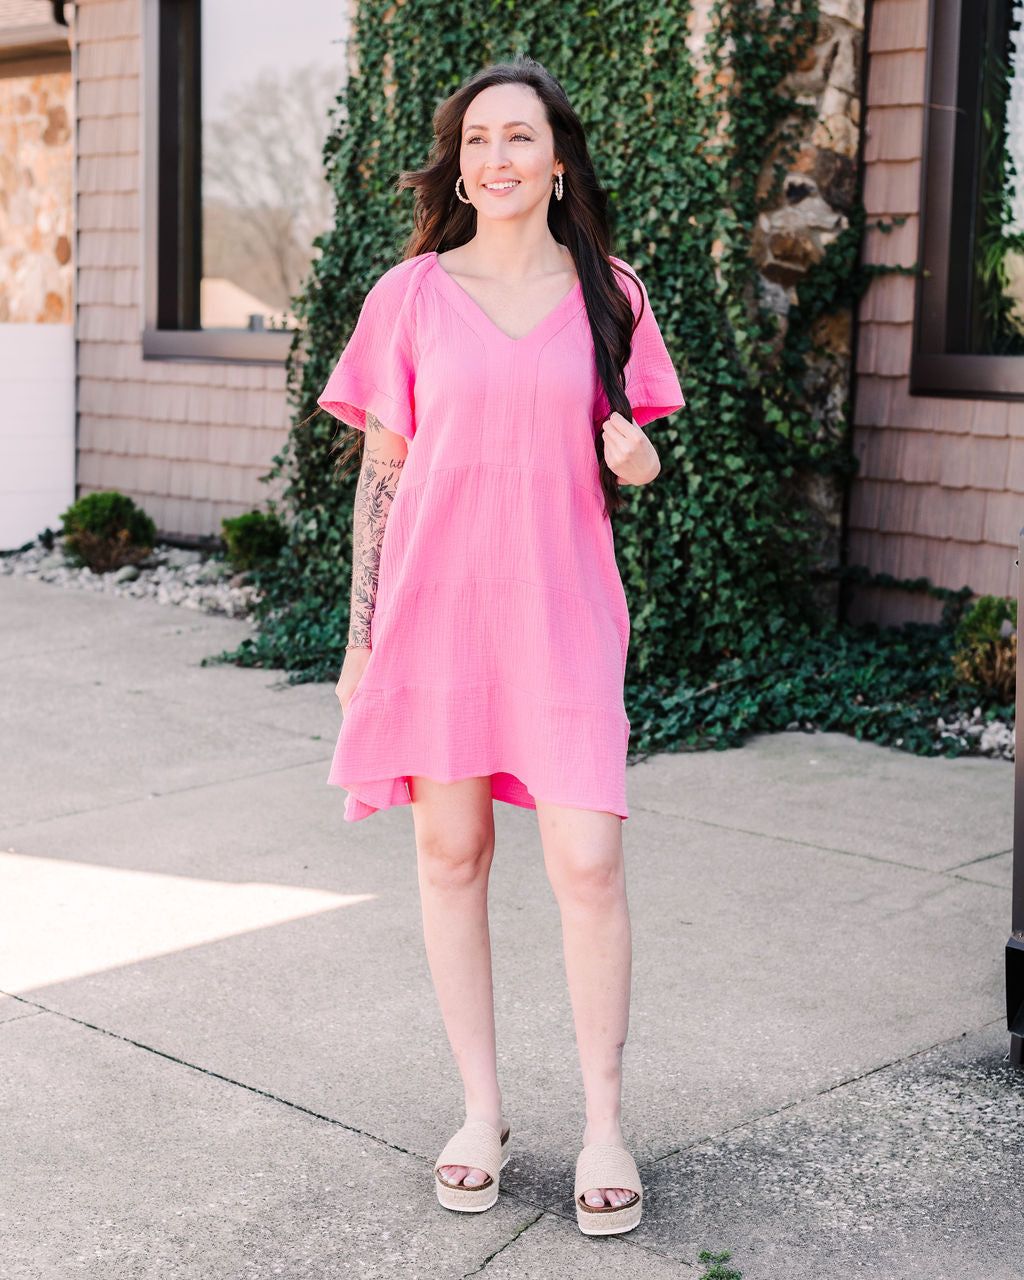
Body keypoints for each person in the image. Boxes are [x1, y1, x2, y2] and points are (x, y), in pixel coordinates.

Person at [317, 54, 684, 1237]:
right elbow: (382, 478)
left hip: (563, 612)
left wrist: (640, 459)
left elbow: (632, 449)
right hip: (434, 615)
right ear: (458, 163)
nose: (495, 158)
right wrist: (360, 639)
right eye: (476, 140)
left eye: (517, 137)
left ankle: (605, 1122)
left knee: (586, 863)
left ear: (558, 159)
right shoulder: (410, 294)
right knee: (451, 854)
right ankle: (479, 1111)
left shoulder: (610, 294)